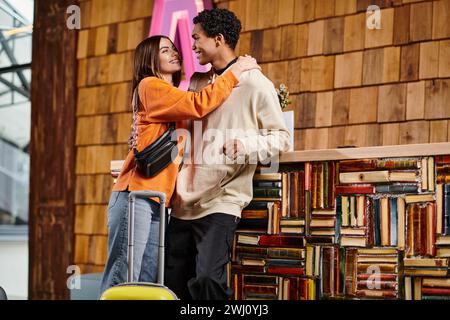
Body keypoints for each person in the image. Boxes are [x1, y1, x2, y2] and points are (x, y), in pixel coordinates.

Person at [99, 34, 260, 295]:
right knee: (124, 277)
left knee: (149, 281)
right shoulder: (150, 85)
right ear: (150, 59)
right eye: (165, 50)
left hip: (157, 201)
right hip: (136, 196)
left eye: (174, 48)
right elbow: (198, 104)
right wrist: (236, 71)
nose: (174, 53)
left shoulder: (172, 96)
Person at [165, 8, 292, 300]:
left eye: (197, 38)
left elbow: (281, 138)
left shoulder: (256, 84)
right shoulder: (197, 82)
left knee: (208, 280)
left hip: (223, 201)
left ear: (219, 39)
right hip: (183, 201)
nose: (193, 45)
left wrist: (246, 145)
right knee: (173, 286)